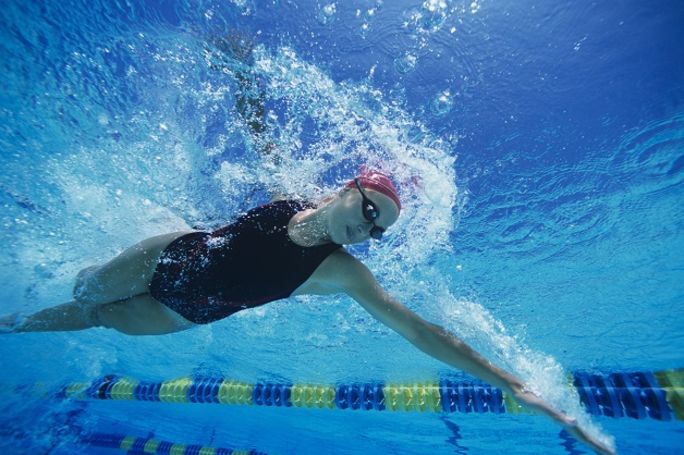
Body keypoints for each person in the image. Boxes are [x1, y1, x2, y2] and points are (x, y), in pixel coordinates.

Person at [0, 37, 615, 455]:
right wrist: (240, 73)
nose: (367, 229)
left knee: (95, 317)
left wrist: (514, 385)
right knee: (85, 286)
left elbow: (422, 332)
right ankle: (40, 277)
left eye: (379, 229)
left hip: (178, 314)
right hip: (167, 254)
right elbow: (260, 128)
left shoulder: (341, 273)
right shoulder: (292, 193)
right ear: (349, 188)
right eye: (371, 210)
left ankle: (10, 324)